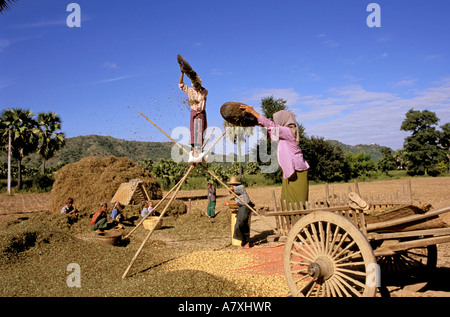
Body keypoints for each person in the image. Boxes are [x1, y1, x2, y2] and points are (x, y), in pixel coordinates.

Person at [240, 105, 310, 208]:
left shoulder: (288, 131)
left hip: (297, 170)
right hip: (290, 170)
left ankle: (298, 221)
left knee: (297, 200)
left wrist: (253, 112)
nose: (276, 123)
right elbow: (270, 137)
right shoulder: (284, 133)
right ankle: (291, 221)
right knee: (287, 199)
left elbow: (272, 126)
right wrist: (260, 124)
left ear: (283, 120)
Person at [179, 71, 208, 156]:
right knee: (194, 133)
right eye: (195, 85)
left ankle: (199, 152)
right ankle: (195, 153)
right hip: (194, 113)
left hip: (202, 113)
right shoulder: (190, 91)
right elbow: (181, 84)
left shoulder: (204, 91)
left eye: (197, 84)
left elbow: (204, 90)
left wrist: (196, 80)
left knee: (201, 132)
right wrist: (182, 73)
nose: (196, 86)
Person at [223, 176, 252, 248]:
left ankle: (246, 241)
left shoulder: (241, 187)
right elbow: (237, 202)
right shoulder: (237, 194)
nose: (230, 186)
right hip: (241, 207)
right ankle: (243, 240)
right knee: (238, 224)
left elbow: (232, 189)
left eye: (231, 184)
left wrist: (230, 189)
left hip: (246, 206)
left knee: (242, 222)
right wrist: (228, 203)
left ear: (234, 184)